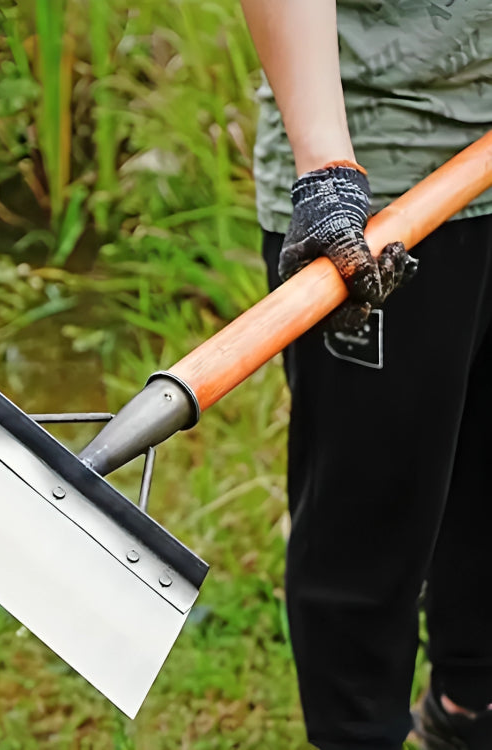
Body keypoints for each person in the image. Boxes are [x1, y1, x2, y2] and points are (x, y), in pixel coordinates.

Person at [238, 2, 492, 749]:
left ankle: (470, 707)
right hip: (382, 182)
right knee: (369, 515)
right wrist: (326, 172)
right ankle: (358, 736)